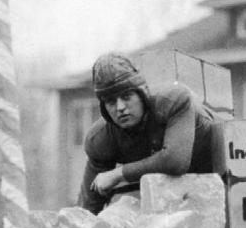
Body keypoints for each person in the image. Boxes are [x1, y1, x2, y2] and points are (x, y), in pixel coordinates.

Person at [78, 53, 217, 214]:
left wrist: (118, 174)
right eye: (110, 101)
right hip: (163, 191)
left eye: (126, 96)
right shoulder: (100, 137)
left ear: (142, 94)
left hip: (213, 176)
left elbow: (175, 162)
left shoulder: (173, 102)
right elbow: (88, 206)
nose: (120, 107)